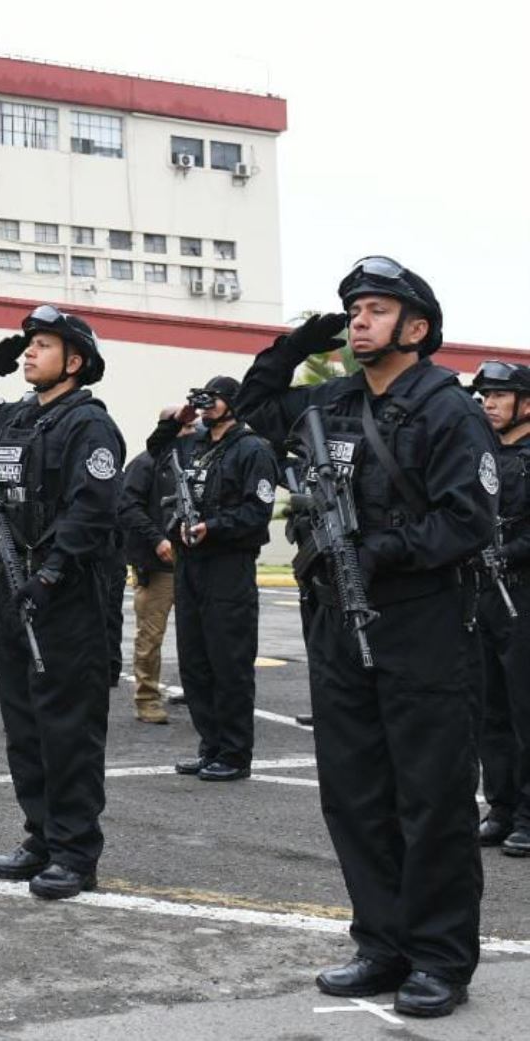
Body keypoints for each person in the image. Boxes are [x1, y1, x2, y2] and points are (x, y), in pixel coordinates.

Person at [237, 257, 491, 1018]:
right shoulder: (334, 401)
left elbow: (467, 519)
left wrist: (386, 549)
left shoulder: (449, 409)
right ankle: (381, 942)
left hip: (422, 622)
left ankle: (440, 958)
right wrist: (298, 338)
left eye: (375, 309)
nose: (358, 320)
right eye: (352, 310)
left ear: (417, 328)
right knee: (355, 793)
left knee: (431, 796)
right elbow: (255, 404)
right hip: (337, 623)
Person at [0, 304, 125, 900]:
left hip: (64, 594)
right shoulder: (17, 418)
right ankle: (41, 836)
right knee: (25, 726)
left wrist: (49, 574)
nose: (29, 354)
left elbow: (91, 510)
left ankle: (75, 853)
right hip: (11, 589)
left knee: (67, 728)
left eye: (42, 346)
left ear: (75, 362)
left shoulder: (88, 425)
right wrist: (4, 349)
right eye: (29, 346)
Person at [147, 376, 279, 781]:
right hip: (191, 565)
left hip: (228, 566)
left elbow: (257, 512)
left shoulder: (253, 449)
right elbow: (157, 450)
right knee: (195, 661)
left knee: (229, 662)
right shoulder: (197, 444)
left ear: (234, 404)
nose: (206, 405)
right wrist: (177, 420)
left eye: (214, 399)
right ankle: (211, 746)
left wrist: (214, 526)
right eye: (202, 400)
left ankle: (235, 754)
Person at [471, 361, 530, 857]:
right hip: (484, 594)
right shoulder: (482, 454)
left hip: (524, 594)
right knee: (491, 709)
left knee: (525, 709)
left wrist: (508, 553)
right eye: (485, 394)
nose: (489, 402)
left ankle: (529, 815)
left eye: (500, 394)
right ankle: (502, 807)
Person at [117, 448, 177, 724]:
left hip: (194, 560)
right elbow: (128, 507)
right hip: (157, 563)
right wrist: (156, 540)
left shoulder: (197, 458)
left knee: (200, 635)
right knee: (150, 636)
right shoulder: (145, 464)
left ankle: (198, 690)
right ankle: (147, 698)